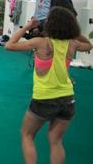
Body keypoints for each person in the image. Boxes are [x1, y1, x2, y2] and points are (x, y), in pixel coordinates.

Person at [5, 8, 92, 164]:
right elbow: (89, 45)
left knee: (27, 135)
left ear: (50, 24)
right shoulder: (73, 43)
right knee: (56, 141)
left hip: (44, 98)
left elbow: (9, 45)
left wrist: (27, 26)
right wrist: (74, 32)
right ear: (71, 25)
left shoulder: (40, 42)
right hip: (67, 99)